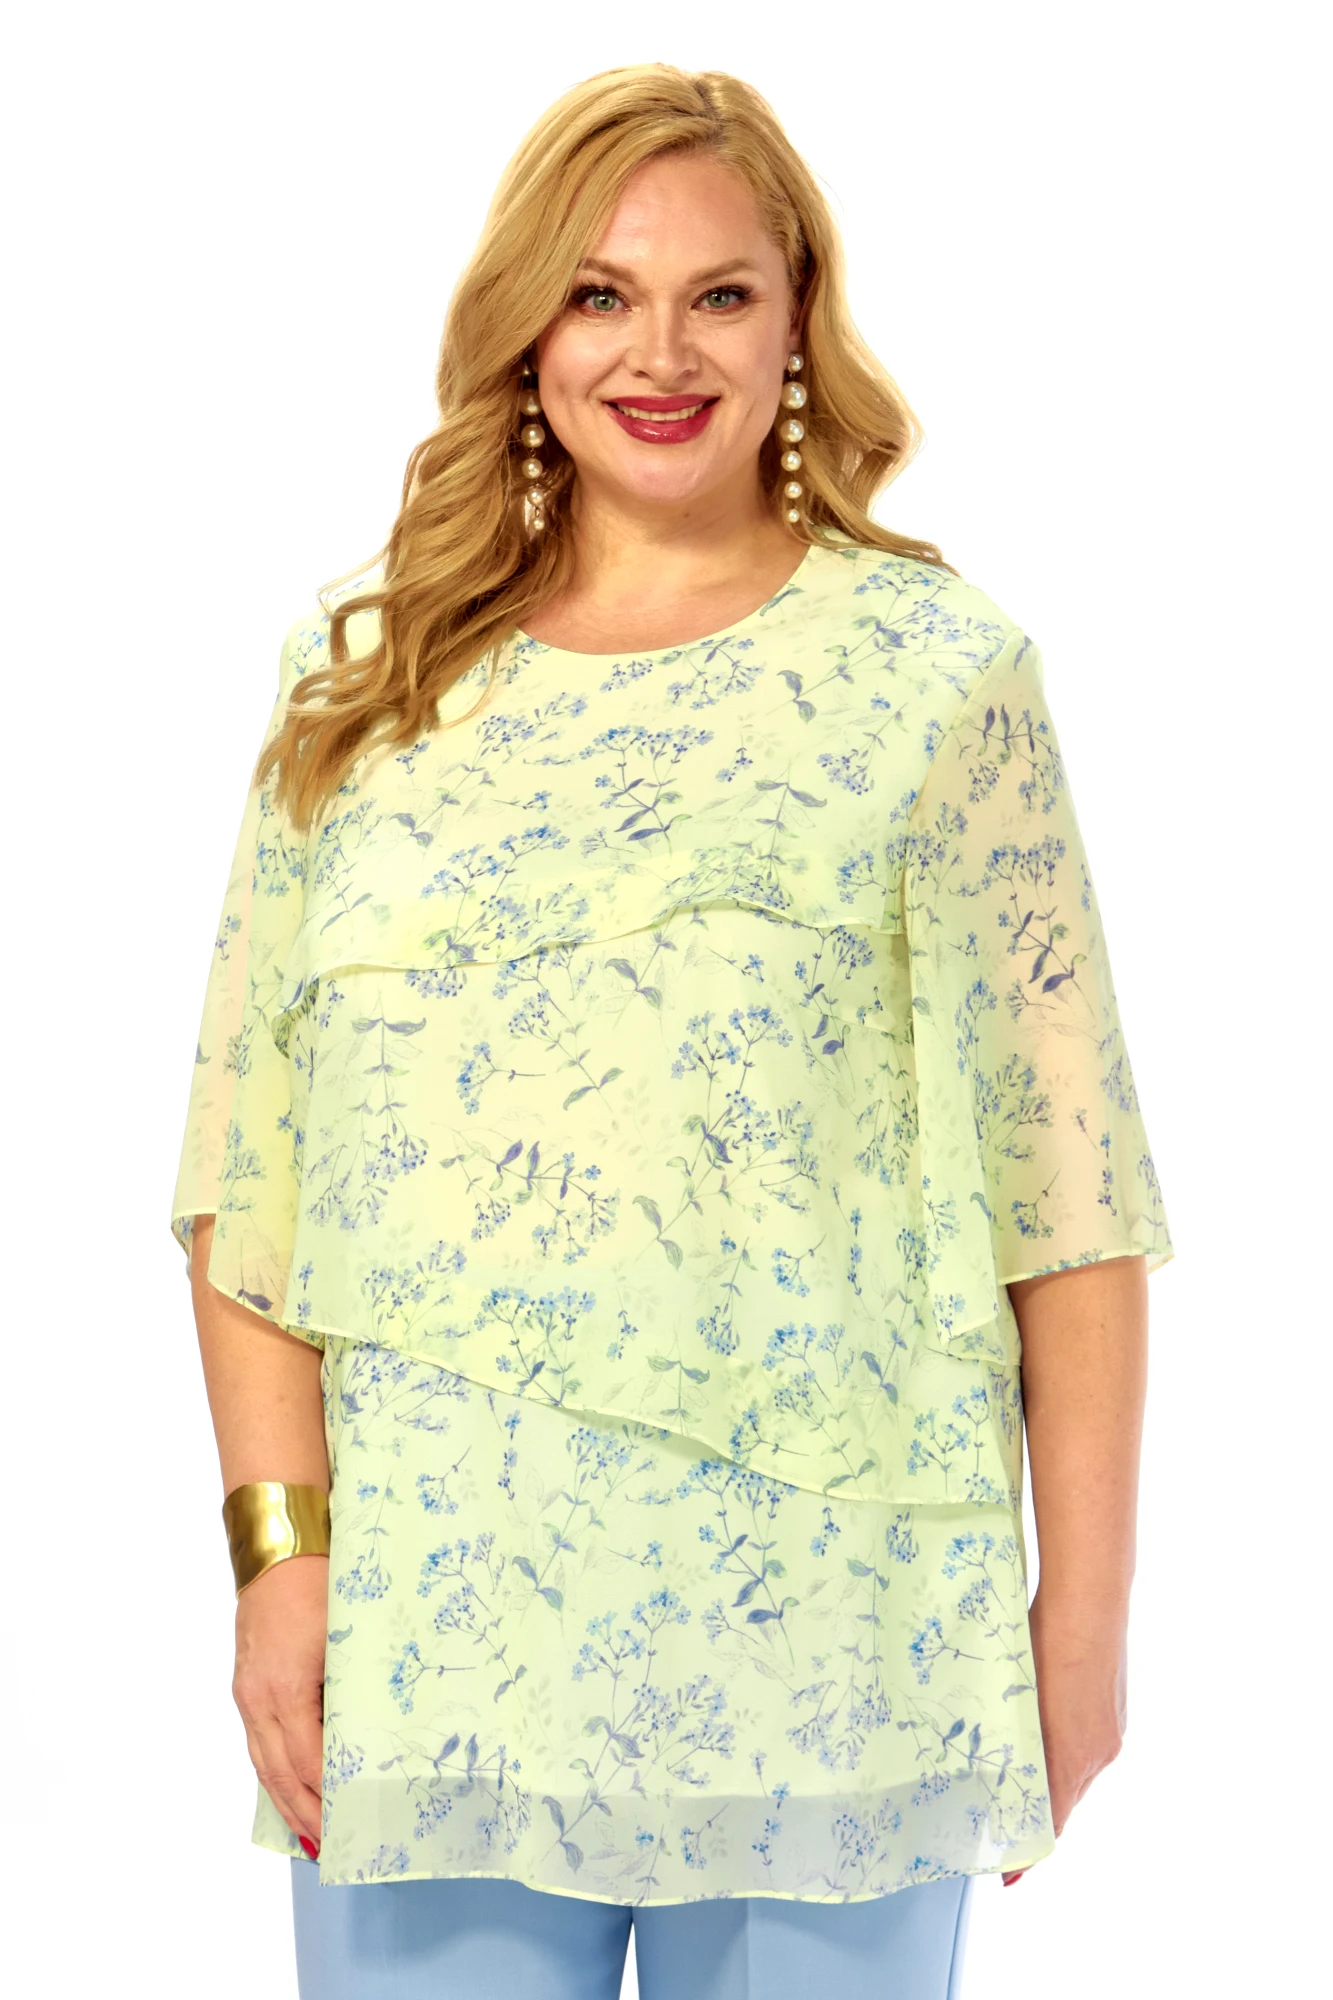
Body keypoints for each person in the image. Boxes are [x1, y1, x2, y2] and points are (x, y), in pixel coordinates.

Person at [170, 62, 1173, 2000]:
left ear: (800, 319)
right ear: (526, 329)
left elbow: (1074, 1196)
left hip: (841, 1631)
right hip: (437, 1637)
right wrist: (279, 1557)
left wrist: (1086, 1623)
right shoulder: (361, 683)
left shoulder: (934, 677)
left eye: (720, 293)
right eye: (600, 293)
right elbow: (245, 1172)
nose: (660, 352)